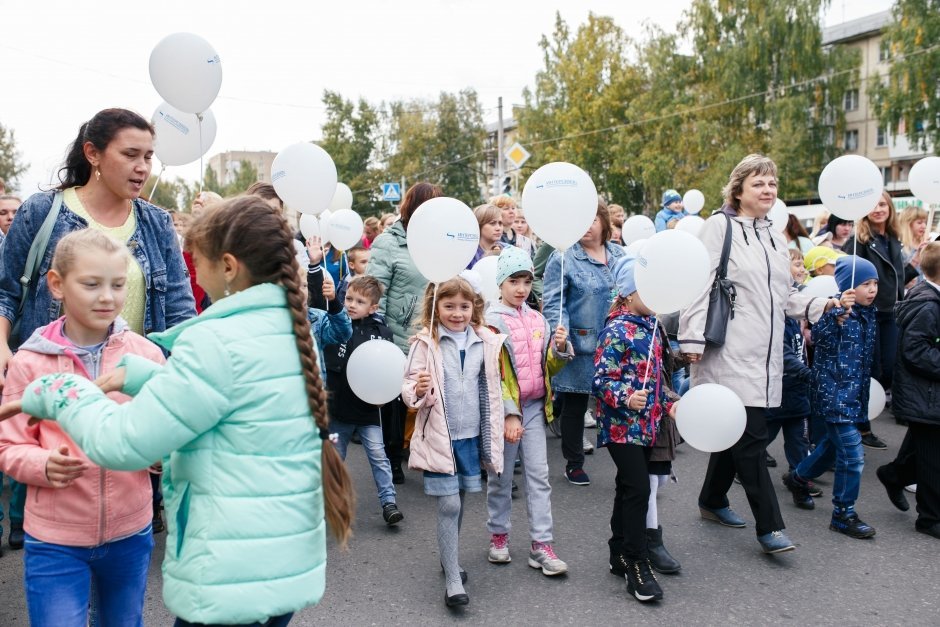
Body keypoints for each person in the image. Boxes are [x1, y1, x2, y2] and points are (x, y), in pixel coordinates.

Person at [0, 197, 355, 626]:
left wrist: (62, 390)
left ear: (228, 266)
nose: (192, 273)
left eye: (196, 260)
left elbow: (123, 442)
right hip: (280, 563)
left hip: (230, 570)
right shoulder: (289, 329)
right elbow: (229, 397)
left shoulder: (215, 340)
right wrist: (141, 375)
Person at [0, 229, 166, 625]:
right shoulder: (30, 361)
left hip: (131, 530)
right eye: (92, 284)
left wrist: (162, 456)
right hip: (56, 539)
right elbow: (9, 444)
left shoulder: (146, 356)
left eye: (118, 284)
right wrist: (41, 463)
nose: (108, 297)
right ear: (57, 284)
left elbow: (169, 429)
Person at [678, 154, 836, 555]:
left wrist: (821, 306)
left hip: (766, 357)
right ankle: (770, 527)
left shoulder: (774, 235)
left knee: (737, 432)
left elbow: (782, 296)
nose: (768, 190)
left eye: (772, 184)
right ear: (738, 190)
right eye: (758, 184)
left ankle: (712, 499)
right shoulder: (720, 227)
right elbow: (698, 283)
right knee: (751, 439)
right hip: (728, 352)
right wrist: (692, 339)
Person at [0, 108, 196, 377]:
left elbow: (180, 313)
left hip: (135, 392)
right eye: (130, 154)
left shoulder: (158, 223)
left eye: (148, 157)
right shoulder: (42, 212)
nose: (142, 167)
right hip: (51, 387)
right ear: (92, 153)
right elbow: (5, 292)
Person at [402, 276, 505, 607]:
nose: (457, 313)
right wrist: (417, 391)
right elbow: (407, 388)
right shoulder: (425, 343)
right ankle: (452, 581)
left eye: (464, 306)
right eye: (449, 306)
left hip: (470, 438)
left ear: (474, 307)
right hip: (439, 437)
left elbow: (492, 388)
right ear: (435, 306)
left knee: (458, 500)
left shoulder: (485, 341)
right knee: (449, 504)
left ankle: (450, 557)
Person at [593, 253, 678, 603]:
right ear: (628, 294)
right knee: (639, 489)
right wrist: (627, 397)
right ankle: (636, 564)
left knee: (628, 487)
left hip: (647, 425)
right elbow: (600, 379)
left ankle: (617, 551)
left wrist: (670, 403)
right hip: (619, 426)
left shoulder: (654, 328)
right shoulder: (616, 329)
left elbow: (657, 379)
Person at [484, 246, 571, 577]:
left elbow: (546, 367)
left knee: (539, 476)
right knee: (502, 477)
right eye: (513, 281)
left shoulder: (538, 319)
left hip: (535, 407)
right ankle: (499, 536)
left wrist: (560, 350)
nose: (521, 289)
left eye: (526, 281)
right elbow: (494, 374)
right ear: (501, 283)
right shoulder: (491, 323)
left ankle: (541, 545)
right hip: (506, 412)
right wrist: (508, 413)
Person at [784, 256, 879, 539]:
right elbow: (819, 336)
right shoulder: (836, 312)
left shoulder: (868, 314)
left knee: (831, 447)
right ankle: (843, 514)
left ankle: (798, 478)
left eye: (875, 283)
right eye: (865, 284)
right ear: (849, 286)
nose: (872, 289)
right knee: (853, 454)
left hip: (854, 394)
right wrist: (833, 315)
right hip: (833, 393)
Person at [544, 199, 625, 486]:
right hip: (580, 345)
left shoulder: (619, 254)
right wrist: (560, 334)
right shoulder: (564, 257)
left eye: (591, 220)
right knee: (576, 405)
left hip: (617, 346)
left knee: (618, 404)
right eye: (579, 221)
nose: (586, 227)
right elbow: (555, 301)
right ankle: (573, 462)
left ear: (603, 221)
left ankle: (627, 462)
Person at [368, 182, 443, 482]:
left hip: (432, 331)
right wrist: (380, 330)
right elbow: (376, 290)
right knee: (397, 400)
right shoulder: (389, 243)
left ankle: (427, 452)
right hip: (398, 331)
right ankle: (392, 456)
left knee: (432, 393)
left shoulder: (440, 240)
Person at [324, 276, 402, 526]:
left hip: (369, 410)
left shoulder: (381, 334)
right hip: (338, 409)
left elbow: (389, 368)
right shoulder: (334, 327)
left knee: (379, 456)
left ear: (373, 307)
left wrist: (384, 396)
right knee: (335, 459)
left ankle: (389, 502)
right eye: (348, 298)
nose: (351, 304)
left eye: (360, 301)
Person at [844, 191, 919, 447]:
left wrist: (915, 264)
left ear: (890, 208)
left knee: (888, 369)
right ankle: (860, 429)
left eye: (883, 204)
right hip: (868, 312)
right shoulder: (860, 240)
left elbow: (896, 276)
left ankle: (860, 422)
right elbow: (849, 273)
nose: (878, 209)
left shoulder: (893, 238)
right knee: (869, 370)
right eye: (873, 205)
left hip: (892, 312)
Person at [876, 242, 940, 539]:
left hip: (929, 394)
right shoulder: (928, 305)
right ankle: (929, 518)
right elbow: (915, 351)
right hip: (924, 394)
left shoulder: (932, 300)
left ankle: (893, 475)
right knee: (932, 460)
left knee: (923, 450)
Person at [469, 203, 505, 268]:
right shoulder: (469, 254)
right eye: (492, 223)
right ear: (479, 225)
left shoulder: (508, 250)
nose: (498, 228)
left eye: (500, 223)